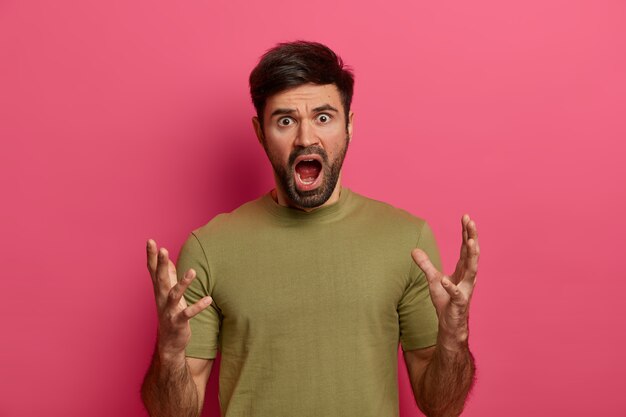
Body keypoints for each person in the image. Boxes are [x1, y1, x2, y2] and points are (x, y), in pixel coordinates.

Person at [141, 40, 480, 417]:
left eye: (323, 117)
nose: (306, 138)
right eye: (285, 120)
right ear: (259, 131)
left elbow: (442, 406)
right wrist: (170, 352)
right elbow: (174, 413)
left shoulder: (407, 240)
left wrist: (455, 338)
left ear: (349, 124)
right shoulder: (209, 248)